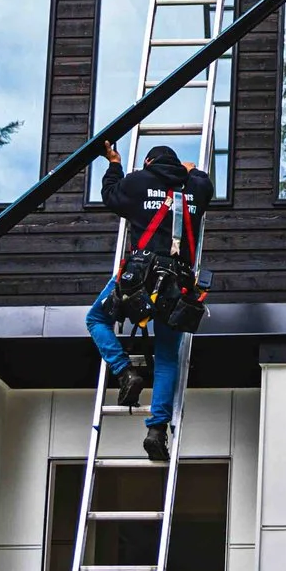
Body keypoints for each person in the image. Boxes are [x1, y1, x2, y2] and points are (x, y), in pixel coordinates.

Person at [87, 141, 212, 461]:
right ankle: (157, 430)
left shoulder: (138, 182)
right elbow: (203, 182)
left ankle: (125, 371)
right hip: (177, 287)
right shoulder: (195, 189)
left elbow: (110, 194)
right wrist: (191, 170)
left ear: (147, 161)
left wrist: (114, 161)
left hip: (139, 280)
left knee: (97, 320)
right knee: (167, 355)